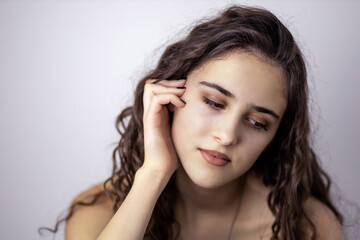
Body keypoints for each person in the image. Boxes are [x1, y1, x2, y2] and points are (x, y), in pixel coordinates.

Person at [40, 5, 344, 240]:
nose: (226, 135)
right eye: (213, 102)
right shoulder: (98, 213)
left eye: (257, 123)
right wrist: (154, 174)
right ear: (171, 92)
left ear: (277, 136)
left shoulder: (307, 228)